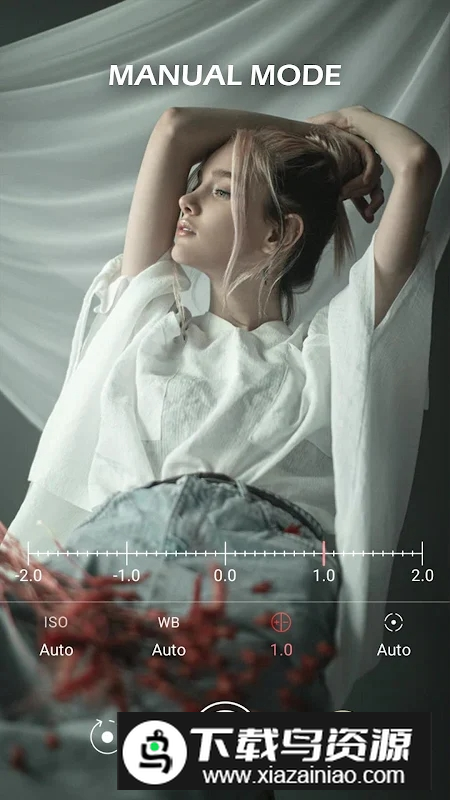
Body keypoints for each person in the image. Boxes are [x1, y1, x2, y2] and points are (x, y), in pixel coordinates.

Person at [1, 105, 440, 795]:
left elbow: (415, 164)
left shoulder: (330, 355)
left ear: (281, 232)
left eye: (222, 190)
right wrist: (323, 142)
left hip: (255, 569)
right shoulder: (148, 322)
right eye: (196, 184)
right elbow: (175, 128)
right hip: (115, 557)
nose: (187, 199)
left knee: (186, 747)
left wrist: (347, 134)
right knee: (46, 718)